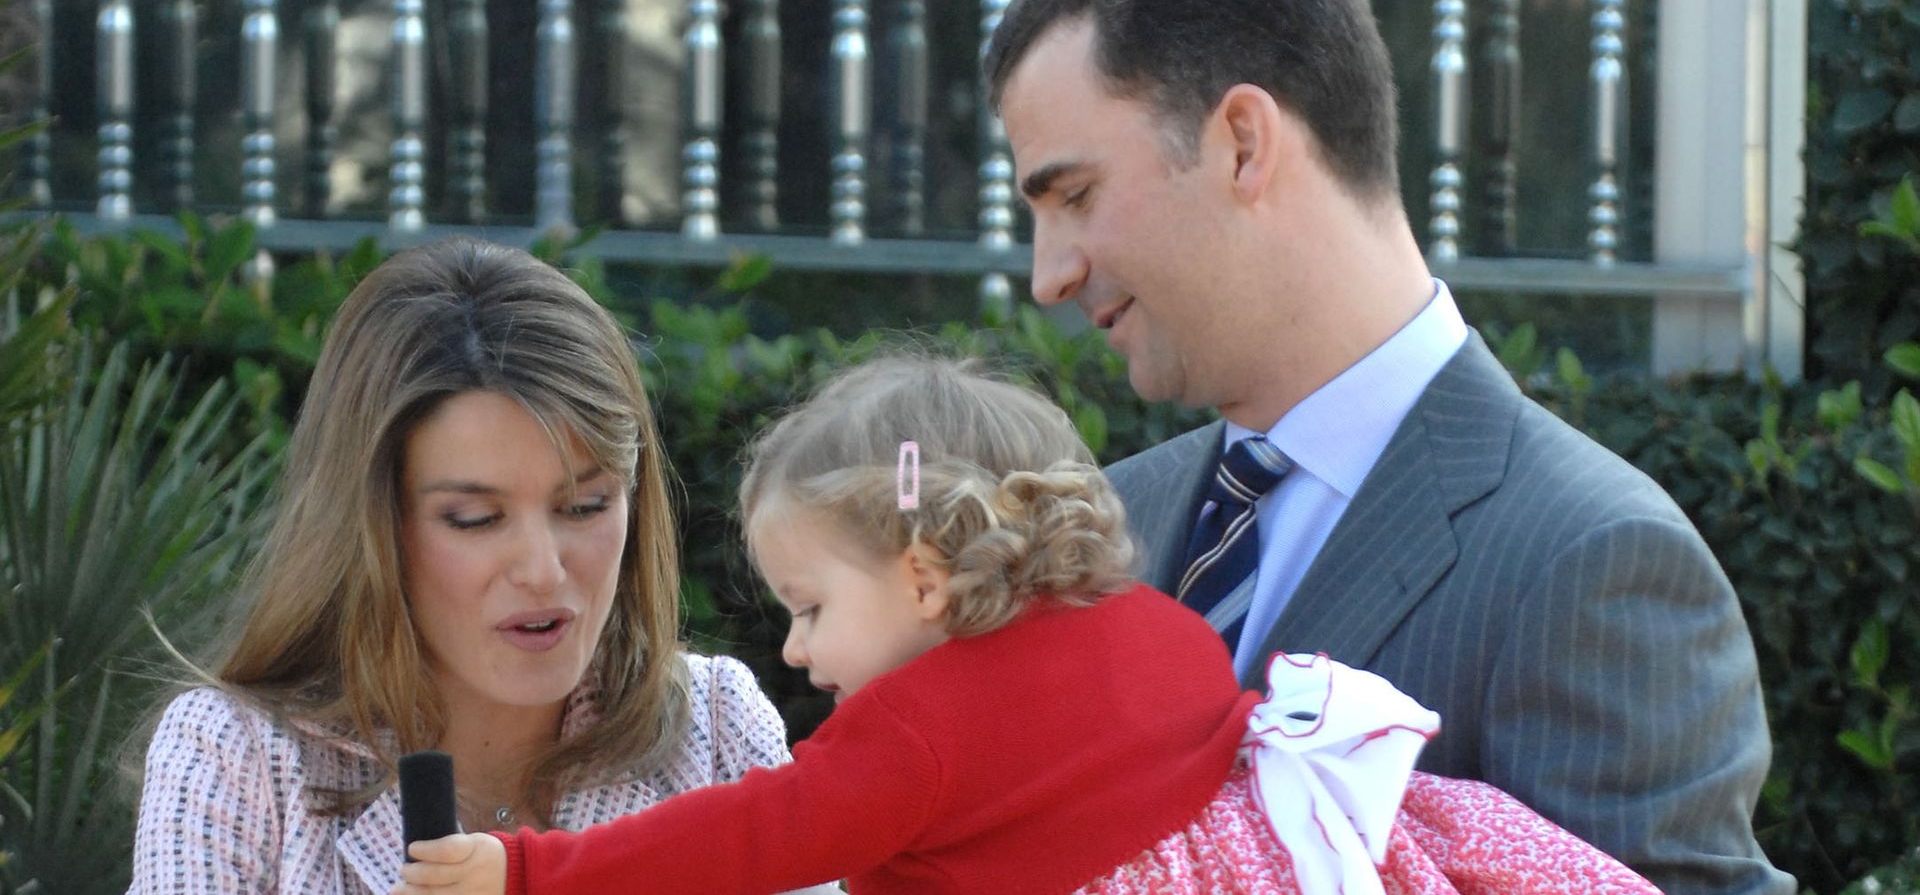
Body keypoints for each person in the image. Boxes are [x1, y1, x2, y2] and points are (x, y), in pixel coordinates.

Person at [980, 0, 1793, 895]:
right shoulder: (1104, 524)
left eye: (1074, 196)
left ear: (1242, 141)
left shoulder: (1594, 563)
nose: (1048, 275)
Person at [389, 355, 1660, 895]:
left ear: (927, 576)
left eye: (812, 608)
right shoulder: (1146, 623)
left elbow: (751, 837)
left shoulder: (921, 734)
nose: (792, 652)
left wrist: (529, 868)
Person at [128, 237, 835, 895]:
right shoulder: (235, 756)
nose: (542, 569)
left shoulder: (715, 726)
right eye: (475, 519)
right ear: (370, 526)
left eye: (586, 507)